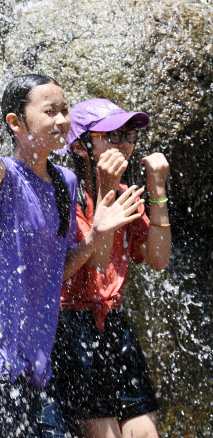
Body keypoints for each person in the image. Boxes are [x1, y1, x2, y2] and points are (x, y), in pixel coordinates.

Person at [0, 29, 147, 437]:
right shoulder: (6, 177)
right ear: (16, 123)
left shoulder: (66, 182)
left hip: (34, 353)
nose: (61, 120)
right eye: (49, 112)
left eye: (64, 110)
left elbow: (57, 271)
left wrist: (95, 236)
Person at [52, 98, 171, 438]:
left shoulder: (125, 194)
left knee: (145, 431)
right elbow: (99, 261)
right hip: (71, 324)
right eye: (114, 135)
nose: (125, 144)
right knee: (104, 432)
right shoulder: (64, 193)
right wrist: (104, 190)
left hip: (113, 321)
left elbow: (157, 259)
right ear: (80, 145)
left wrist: (157, 190)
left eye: (129, 135)